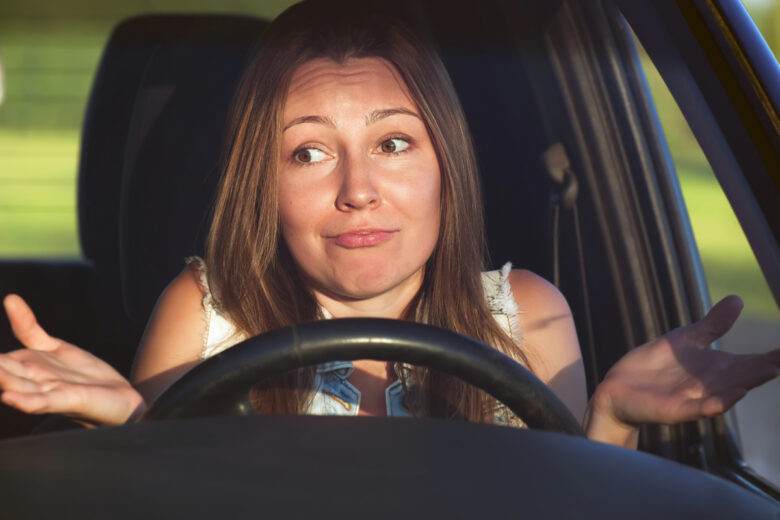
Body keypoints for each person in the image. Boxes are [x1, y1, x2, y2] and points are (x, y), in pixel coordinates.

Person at [0, 0, 777, 448]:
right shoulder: (207, 314)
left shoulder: (529, 316)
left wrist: (610, 418)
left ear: (446, 163)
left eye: (393, 143)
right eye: (308, 152)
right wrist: (135, 426)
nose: (357, 190)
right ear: (261, 185)